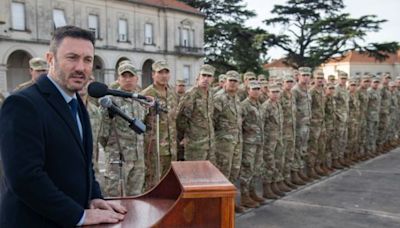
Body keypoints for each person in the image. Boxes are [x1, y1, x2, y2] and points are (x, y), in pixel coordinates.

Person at [0, 26, 126, 227]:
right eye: (72, 57)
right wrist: (79, 215)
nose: (81, 67)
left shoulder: (75, 101)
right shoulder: (22, 104)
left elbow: (84, 164)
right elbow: (25, 178)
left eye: (88, 60)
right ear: (51, 59)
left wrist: (94, 197)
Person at [98, 63, 147, 197]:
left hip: (138, 159)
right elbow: (102, 133)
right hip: (118, 159)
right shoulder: (111, 101)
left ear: (137, 79)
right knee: (116, 198)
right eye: (124, 76)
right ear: (118, 79)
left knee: (136, 197)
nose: (127, 79)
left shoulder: (139, 100)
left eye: (131, 76)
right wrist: (112, 149)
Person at [141, 60, 178, 190]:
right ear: (153, 74)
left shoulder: (173, 92)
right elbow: (140, 122)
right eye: (160, 72)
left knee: (169, 181)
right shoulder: (146, 94)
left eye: (166, 72)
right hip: (154, 147)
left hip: (171, 147)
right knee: (153, 182)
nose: (163, 75)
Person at [213, 70, 243, 213]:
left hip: (236, 140)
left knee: (233, 172)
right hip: (223, 142)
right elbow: (212, 119)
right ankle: (219, 207)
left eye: (235, 81)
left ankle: (229, 202)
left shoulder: (236, 97)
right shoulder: (219, 98)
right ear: (225, 81)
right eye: (230, 80)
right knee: (223, 173)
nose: (232, 83)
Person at [176, 64, 216, 163]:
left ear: (213, 79)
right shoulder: (191, 94)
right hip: (195, 145)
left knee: (208, 175)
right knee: (194, 175)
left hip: (209, 144)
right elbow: (180, 119)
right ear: (198, 77)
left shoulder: (210, 94)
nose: (206, 79)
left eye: (209, 76)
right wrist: (187, 137)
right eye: (204, 75)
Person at [239, 81, 266, 208]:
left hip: (259, 141)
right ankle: (244, 196)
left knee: (256, 168)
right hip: (249, 142)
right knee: (247, 168)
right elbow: (240, 124)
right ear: (248, 90)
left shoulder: (259, 104)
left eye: (258, 89)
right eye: (253, 89)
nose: (256, 91)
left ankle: (252, 192)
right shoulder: (244, 105)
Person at [291, 67, 312, 182]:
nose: (305, 77)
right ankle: (295, 173)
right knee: (297, 149)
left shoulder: (307, 89)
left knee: (303, 149)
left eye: (308, 75)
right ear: (298, 76)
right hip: (299, 125)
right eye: (303, 75)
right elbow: (293, 109)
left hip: (306, 124)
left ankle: (300, 170)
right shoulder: (295, 90)